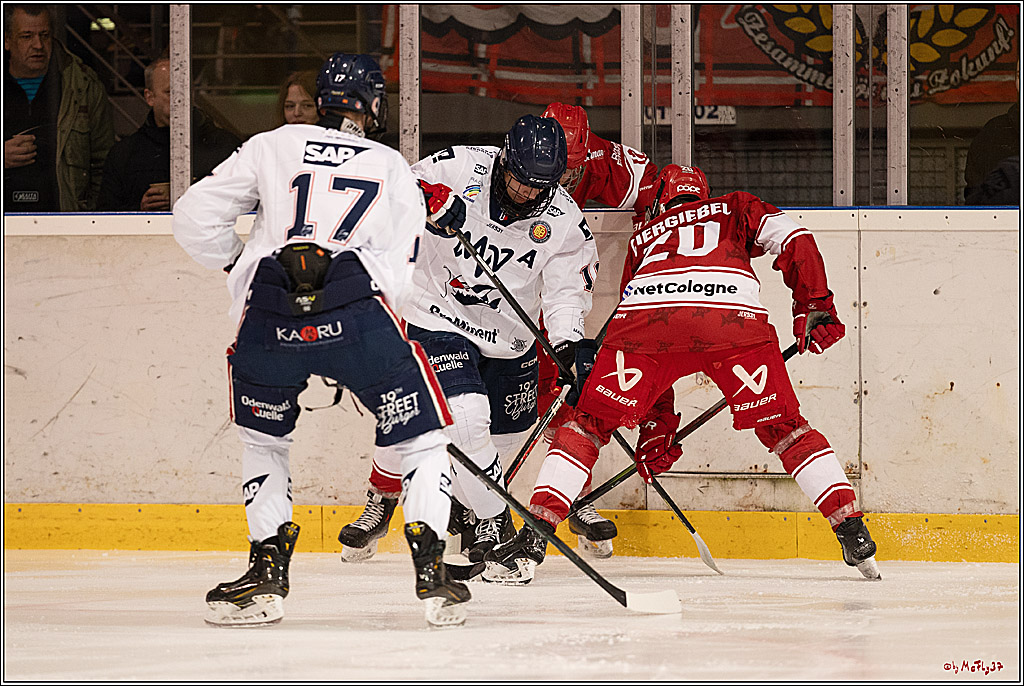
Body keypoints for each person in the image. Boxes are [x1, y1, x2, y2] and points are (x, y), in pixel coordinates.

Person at [172, 52, 470, 628]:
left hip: (269, 311)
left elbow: (191, 215)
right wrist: (353, 330)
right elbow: (401, 273)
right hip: (358, 313)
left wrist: (242, 265)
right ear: (373, 105)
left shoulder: (272, 144)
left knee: (264, 443)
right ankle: (432, 570)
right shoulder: (390, 165)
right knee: (427, 439)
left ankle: (265, 577)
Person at [484, 164, 881, 584]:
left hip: (648, 322)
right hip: (732, 320)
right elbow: (794, 238)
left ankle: (530, 542)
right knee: (787, 430)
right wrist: (813, 302)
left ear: (659, 201)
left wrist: (656, 422)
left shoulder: (643, 236)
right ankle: (851, 528)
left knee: (588, 425)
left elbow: (650, 330)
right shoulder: (735, 207)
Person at [337, 114, 599, 571]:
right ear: (502, 159)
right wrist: (426, 205)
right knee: (465, 418)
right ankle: (492, 524)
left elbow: (564, 293)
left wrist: (568, 341)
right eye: (518, 182)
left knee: (495, 438)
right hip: (435, 311)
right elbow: (389, 192)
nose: (526, 195)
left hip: (507, 336)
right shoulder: (458, 168)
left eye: (540, 187)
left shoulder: (566, 224)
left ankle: (467, 511)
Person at [527, 101, 661, 557]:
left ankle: (571, 495)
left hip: (562, 276)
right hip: (507, 276)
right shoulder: (516, 154)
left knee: (565, 383)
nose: (561, 182)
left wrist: (648, 278)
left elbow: (663, 194)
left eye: (571, 172)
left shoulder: (602, 160)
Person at [3, 3, 113, 212]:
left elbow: (104, 165)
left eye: (44, 35)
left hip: (63, 222)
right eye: (26, 36)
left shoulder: (82, 85)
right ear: (7, 41)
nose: (38, 45)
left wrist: (87, 219)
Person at [97, 57, 242, 212]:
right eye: (170, 92)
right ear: (149, 97)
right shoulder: (124, 154)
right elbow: (105, 214)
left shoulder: (226, 147)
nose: (179, 99)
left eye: (184, 91)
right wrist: (139, 210)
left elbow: (247, 202)